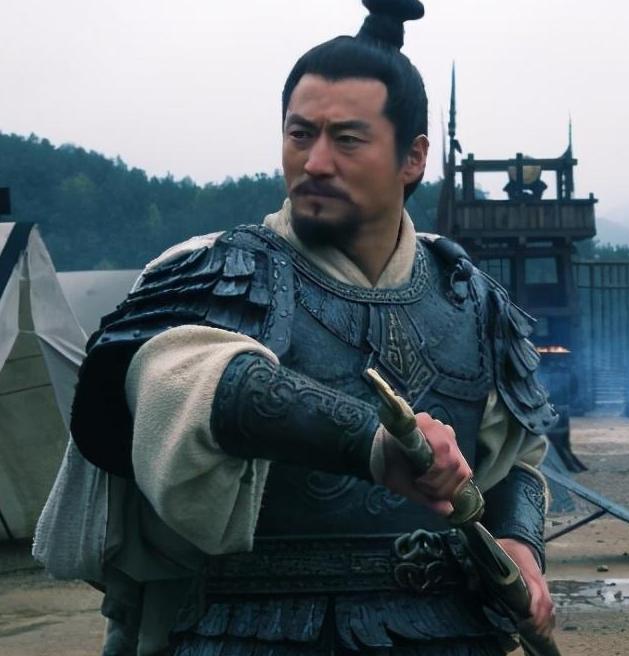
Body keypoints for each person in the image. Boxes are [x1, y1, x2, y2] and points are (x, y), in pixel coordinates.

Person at [68, 1, 556, 653]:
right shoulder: (217, 271)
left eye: (347, 139)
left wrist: (519, 546)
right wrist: (375, 444)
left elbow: (514, 458)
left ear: (412, 158)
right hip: (254, 631)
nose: (316, 161)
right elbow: (192, 379)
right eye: (300, 135)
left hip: (448, 630)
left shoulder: (470, 298)